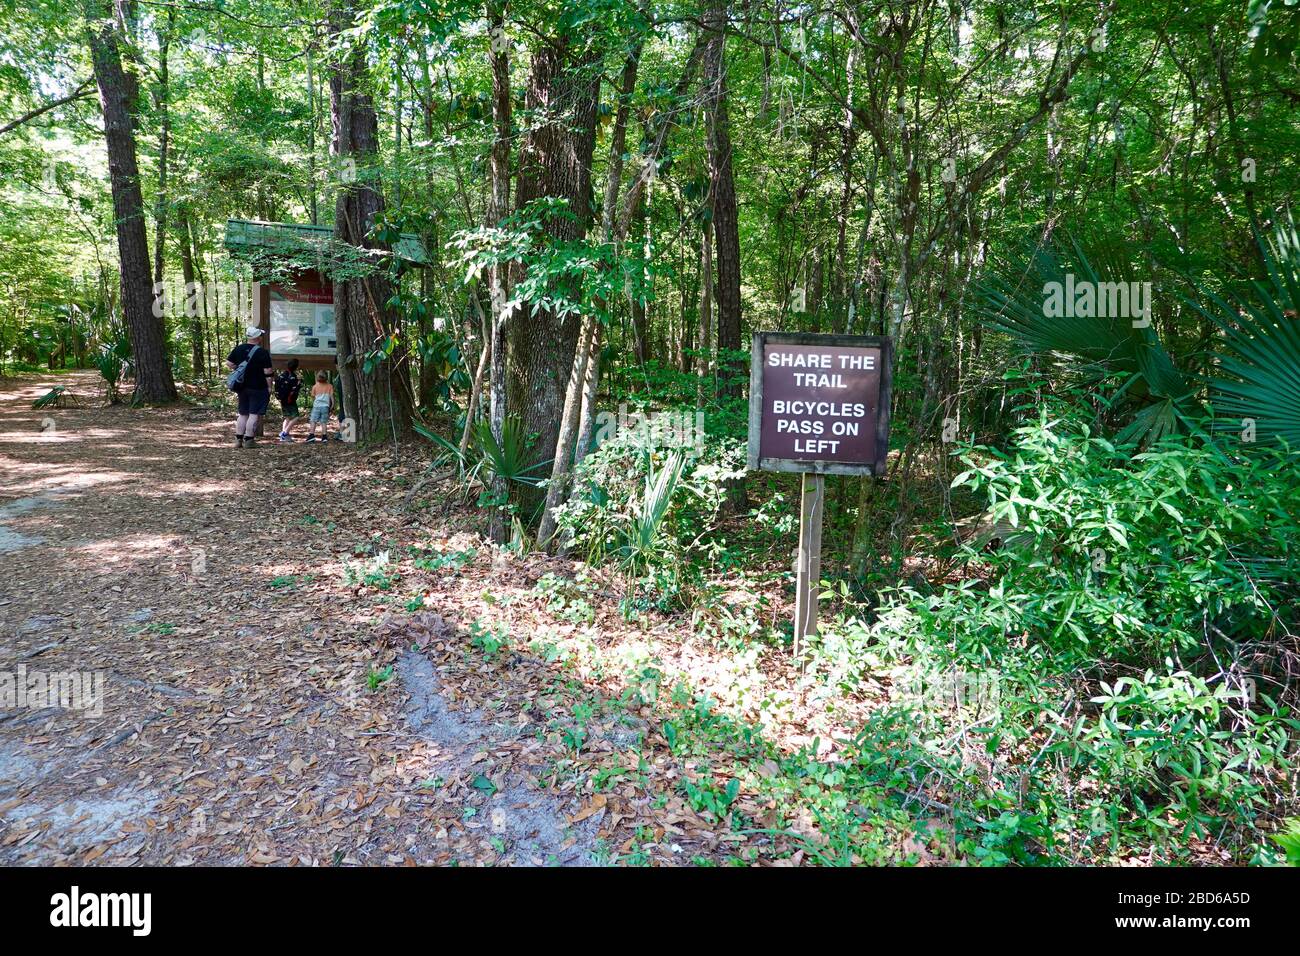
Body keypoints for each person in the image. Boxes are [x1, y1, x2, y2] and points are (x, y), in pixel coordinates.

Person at [226, 326, 274, 448]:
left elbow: (229, 363)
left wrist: (240, 369)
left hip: (241, 386)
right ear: (258, 338)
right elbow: (268, 371)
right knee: (254, 414)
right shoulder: (262, 352)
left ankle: (238, 440)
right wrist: (269, 386)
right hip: (258, 386)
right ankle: (249, 440)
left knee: (243, 414)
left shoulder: (239, 349)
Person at [274, 358, 302, 442]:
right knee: (296, 417)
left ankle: (284, 434)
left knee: (287, 417)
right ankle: (285, 433)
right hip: (290, 400)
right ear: (296, 367)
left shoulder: (282, 375)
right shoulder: (293, 377)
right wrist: (299, 382)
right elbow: (295, 389)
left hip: (282, 400)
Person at [306, 371, 334, 442]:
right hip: (325, 406)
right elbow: (331, 397)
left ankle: (311, 435)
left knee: (313, 420)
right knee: (323, 422)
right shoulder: (329, 386)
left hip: (316, 406)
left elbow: (313, 397)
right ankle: (324, 437)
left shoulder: (315, 386)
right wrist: (332, 405)